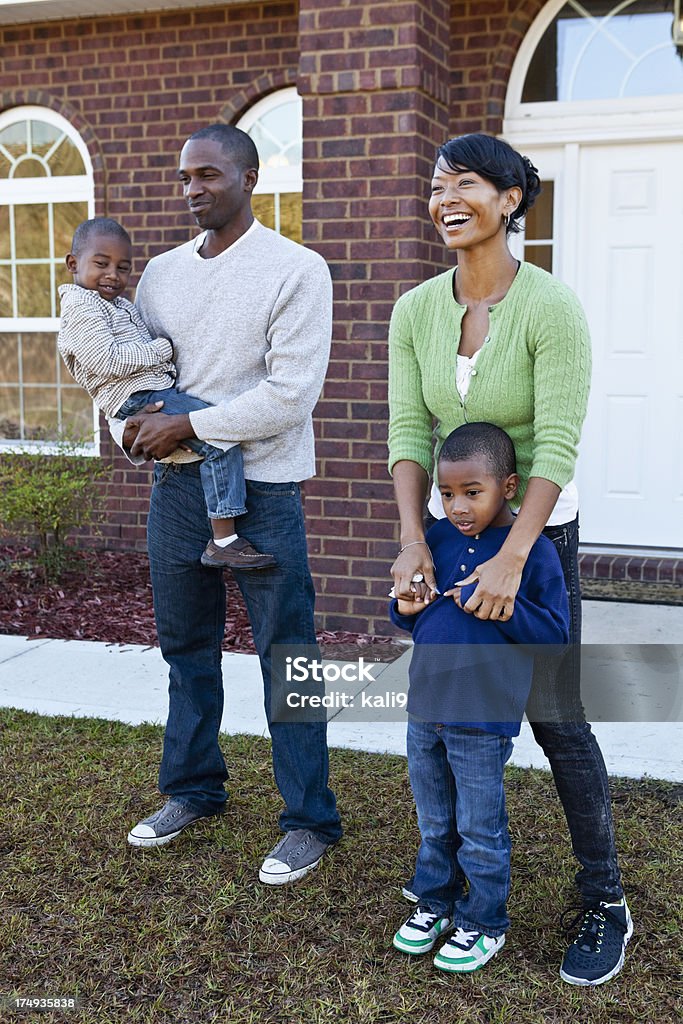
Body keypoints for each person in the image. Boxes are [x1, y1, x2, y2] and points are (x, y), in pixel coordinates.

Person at [388, 133, 632, 986]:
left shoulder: (549, 307)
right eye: (435, 184)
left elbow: (557, 437)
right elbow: (407, 432)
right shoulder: (415, 310)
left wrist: (514, 555)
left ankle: (603, 897)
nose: (444, 197)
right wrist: (415, 538)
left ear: (509, 200)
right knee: (444, 718)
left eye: (464, 184)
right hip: (449, 537)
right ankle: (449, 892)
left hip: (534, 537)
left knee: (556, 720)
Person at [109, 123, 341, 882]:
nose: (191, 189)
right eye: (184, 177)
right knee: (186, 649)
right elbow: (129, 376)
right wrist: (132, 431)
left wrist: (188, 421)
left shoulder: (295, 270)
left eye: (207, 174)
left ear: (249, 176)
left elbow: (290, 394)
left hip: (265, 493)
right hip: (177, 490)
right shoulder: (160, 277)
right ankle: (192, 790)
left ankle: (309, 819)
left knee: (287, 656)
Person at [390, 422, 569, 973]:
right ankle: (435, 902)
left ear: (509, 487)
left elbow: (555, 637)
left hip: (482, 716)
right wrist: (407, 605)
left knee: (479, 827)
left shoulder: (530, 555)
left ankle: (484, 920)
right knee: (433, 818)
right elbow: (405, 614)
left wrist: (505, 605)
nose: (458, 506)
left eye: (473, 492)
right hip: (425, 709)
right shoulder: (435, 540)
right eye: (447, 494)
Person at [58, 217, 275, 570]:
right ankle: (224, 539)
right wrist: (161, 351)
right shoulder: (82, 307)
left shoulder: (116, 305)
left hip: (148, 389)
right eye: (101, 264)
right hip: (137, 395)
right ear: (73, 264)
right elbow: (105, 359)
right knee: (219, 439)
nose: (113, 274)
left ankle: (222, 536)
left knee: (211, 437)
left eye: (123, 267)